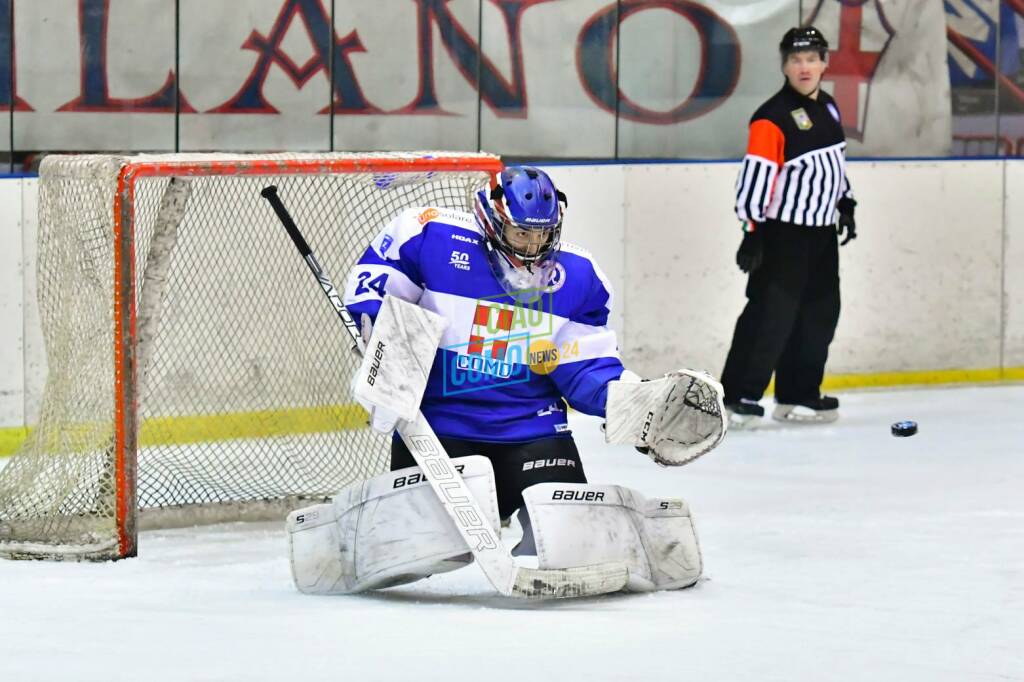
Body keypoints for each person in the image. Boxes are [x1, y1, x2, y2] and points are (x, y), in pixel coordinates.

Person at [286, 165, 726, 596]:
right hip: (439, 433)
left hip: (531, 430)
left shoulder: (580, 276)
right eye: (522, 234)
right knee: (414, 549)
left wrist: (632, 403)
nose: (533, 247)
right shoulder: (427, 237)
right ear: (492, 221)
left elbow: (584, 367)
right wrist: (377, 339)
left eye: (542, 235)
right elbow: (376, 292)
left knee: (573, 544)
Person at [721, 26, 857, 427]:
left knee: (820, 313)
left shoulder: (829, 107)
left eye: (812, 58)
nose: (805, 67)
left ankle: (798, 394)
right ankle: (737, 396)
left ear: (824, 63)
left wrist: (845, 203)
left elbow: (835, 165)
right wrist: (752, 232)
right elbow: (754, 181)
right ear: (784, 65)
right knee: (770, 315)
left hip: (821, 234)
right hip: (782, 235)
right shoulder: (771, 118)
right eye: (796, 60)